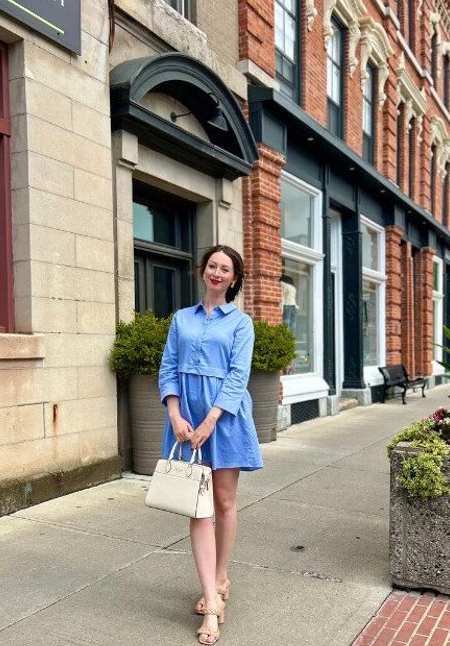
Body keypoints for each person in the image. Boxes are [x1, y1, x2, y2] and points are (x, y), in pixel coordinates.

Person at [159, 245, 264, 645]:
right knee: (198, 507)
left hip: (224, 419)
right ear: (202, 271)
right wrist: (174, 413)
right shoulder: (180, 319)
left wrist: (210, 420)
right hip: (185, 421)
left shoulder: (241, 323)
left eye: (226, 268)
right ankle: (210, 600)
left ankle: (221, 576)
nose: (218, 272)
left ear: (234, 278)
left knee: (223, 502)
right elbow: (168, 366)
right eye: (213, 266)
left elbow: (239, 376)